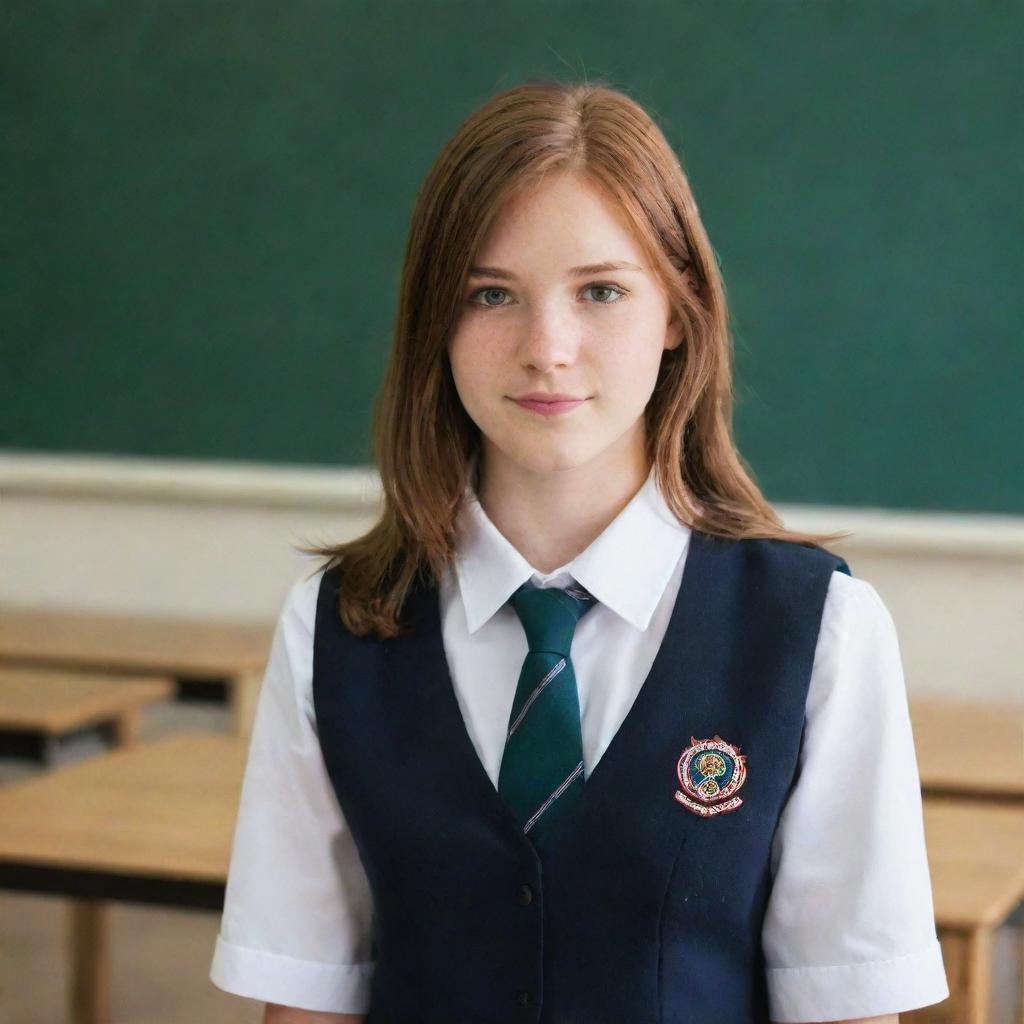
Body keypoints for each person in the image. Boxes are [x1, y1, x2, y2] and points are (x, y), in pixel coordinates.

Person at [209, 79, 949, 1023]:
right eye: (490, 294)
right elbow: (303, 996)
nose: (547, 348)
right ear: (435, 320)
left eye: (600, 291)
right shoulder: (338, 626)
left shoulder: (819, 631)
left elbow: (848, 1005)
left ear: (679, 312)